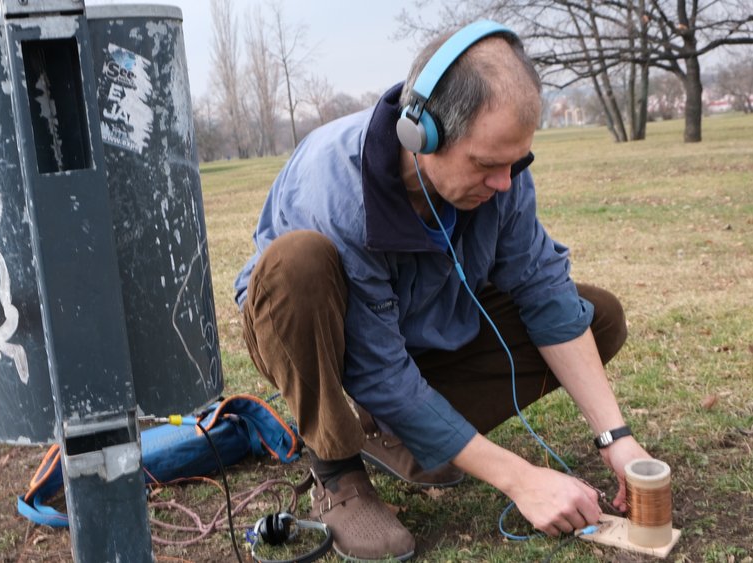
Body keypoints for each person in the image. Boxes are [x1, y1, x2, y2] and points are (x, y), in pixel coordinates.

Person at [233, 20, 652, 562]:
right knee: (299, 264)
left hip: (418, 333)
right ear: (421, 134)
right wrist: (521, 479)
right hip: (318, 332)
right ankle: (337, 468)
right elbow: (376, 368)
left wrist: (616, 439)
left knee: (597, 317)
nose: (505, 183)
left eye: (516, 162)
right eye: (486, 164)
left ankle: (403, 436)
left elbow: (544, 290)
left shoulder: (503, 176)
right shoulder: (336, 185)